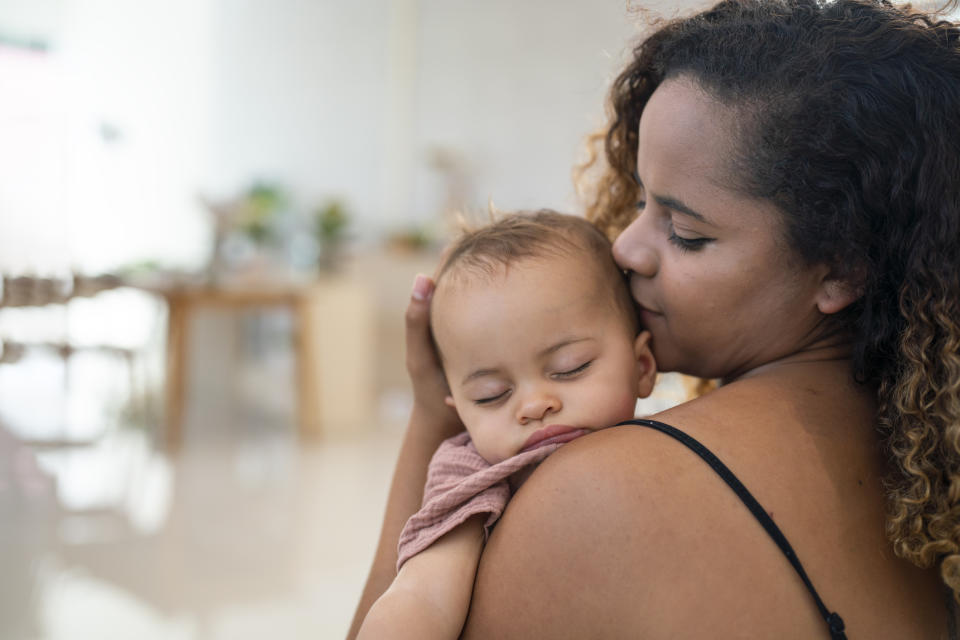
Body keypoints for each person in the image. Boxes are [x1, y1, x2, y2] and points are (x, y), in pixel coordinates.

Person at [348, 1, 959, 637]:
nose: (626, 247)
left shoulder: (597, 495)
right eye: (640, 199)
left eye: (687, 233)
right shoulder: (931, 470)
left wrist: (432, 425)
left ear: (842, 269)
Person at [357, 211, 657, 639]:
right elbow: (422, 595)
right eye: (491, 395)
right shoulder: (472, 473)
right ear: (459, 410)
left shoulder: (666, 445)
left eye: (570, 368)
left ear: (642, 366)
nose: (534, 405)